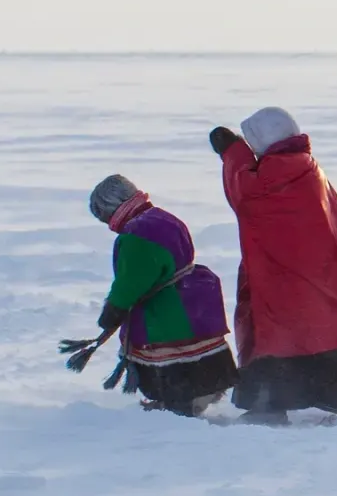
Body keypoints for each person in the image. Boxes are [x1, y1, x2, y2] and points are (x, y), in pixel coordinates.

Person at [209, 108, 337, 423]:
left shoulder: (269, 178)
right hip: (324, 275)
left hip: (282, 279)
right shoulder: (308, 167)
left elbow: (245, 192)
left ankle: (269, 403)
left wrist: (232, 151)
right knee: (334, 331)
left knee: (279, 335)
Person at [82, 174, 237, 416]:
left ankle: (178, 402)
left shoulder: (136, 233)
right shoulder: (161, 216)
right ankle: (202, 390)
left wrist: (115, 309)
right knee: (197, 347)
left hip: (168, 309)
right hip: (193, 297)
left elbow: (132, 280)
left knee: (172, 357)